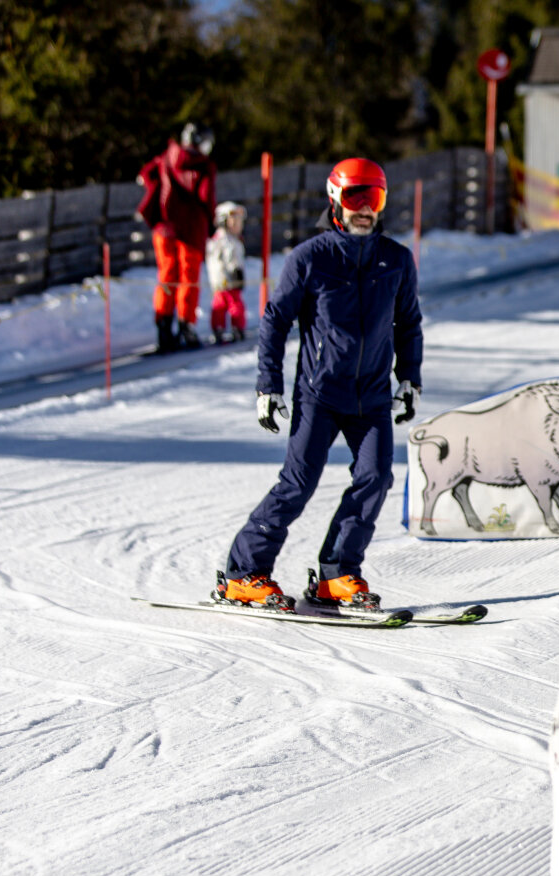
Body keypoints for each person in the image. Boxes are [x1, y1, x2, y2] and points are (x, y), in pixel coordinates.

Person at [218, 157, 423, 612]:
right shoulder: (311, 258)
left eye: (375, 197)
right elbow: (275, 321)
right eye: (356, 197)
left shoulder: (396, 260)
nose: (365, 208)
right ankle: (243, 573)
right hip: (320, 393)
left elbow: (408, 323)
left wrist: (409, 378)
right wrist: (267, 386)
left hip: (370, 396)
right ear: (336, 199)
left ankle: (337, 572)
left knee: (375, 478)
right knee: (299, 483)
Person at [137, 123, 218, 353]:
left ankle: (164, 327)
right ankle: (186, 326)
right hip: (191, 230)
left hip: (164, 227)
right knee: (188, 278)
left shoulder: (168, 155)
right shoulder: (204, 166)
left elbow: (146, 173)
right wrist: (211, 224)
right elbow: (207, 198)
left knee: (167, 277)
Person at [206, 202, 247, 344]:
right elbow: (219, 261)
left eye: (239, 222)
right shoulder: (222, 240)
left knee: (230, 304)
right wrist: (232, 273)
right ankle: (224, 328)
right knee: (227, 305)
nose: (238, 225)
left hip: (229, 280)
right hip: (225, 280)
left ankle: (233, 327)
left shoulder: (233, 240)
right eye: (233, 222)